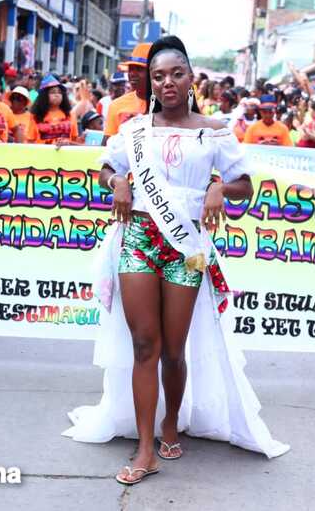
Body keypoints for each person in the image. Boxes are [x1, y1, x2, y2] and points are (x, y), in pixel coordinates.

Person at [63, 36, 289, 485]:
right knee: (144, 345)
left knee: (172, 348)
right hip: (139, 238)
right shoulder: (135, 130)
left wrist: (219, 188)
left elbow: (246, 184)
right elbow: (106, 168)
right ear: (151, 82)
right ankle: (146, 449)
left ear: (190, 80)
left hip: (186, 248)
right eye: (158, 76)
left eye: (176, 74)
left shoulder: (215, 130)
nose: (167, 82)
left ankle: (171, 422)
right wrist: (118, 183)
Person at [104, 43, 151, 143]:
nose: (132, 74)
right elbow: (107, 146)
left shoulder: (167, 105)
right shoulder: (116, 105)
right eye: (130, 69)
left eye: (139, 69)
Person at [26, 75, 78, 145]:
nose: (57, 95)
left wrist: (68, 143)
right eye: (53, 92)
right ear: (44, 95)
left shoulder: (70, 114)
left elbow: (75, 140)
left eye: (59, 92)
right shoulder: (35, 116)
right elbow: (30, 141)